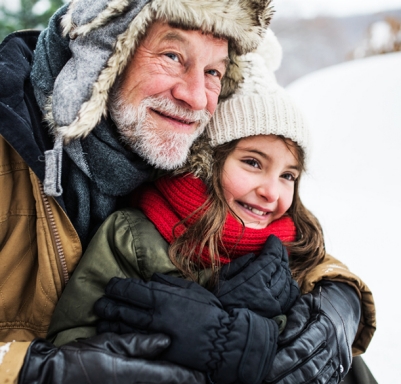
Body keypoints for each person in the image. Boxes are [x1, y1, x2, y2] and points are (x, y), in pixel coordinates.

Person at [47, 42, 376, 383]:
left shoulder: (295, 248)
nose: (271, 191)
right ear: (207, 161)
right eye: (252, 162)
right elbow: (73, 344)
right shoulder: (135, 237)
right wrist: (201, 338)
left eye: (288, 176)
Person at [0, 0, 276, 382]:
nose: (196, 98)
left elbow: (289, 225)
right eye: (173, 55)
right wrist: (35, 370)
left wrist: (335, 304)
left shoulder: (195, 157)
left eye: (213, 71)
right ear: (107, 52)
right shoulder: (8, 145)